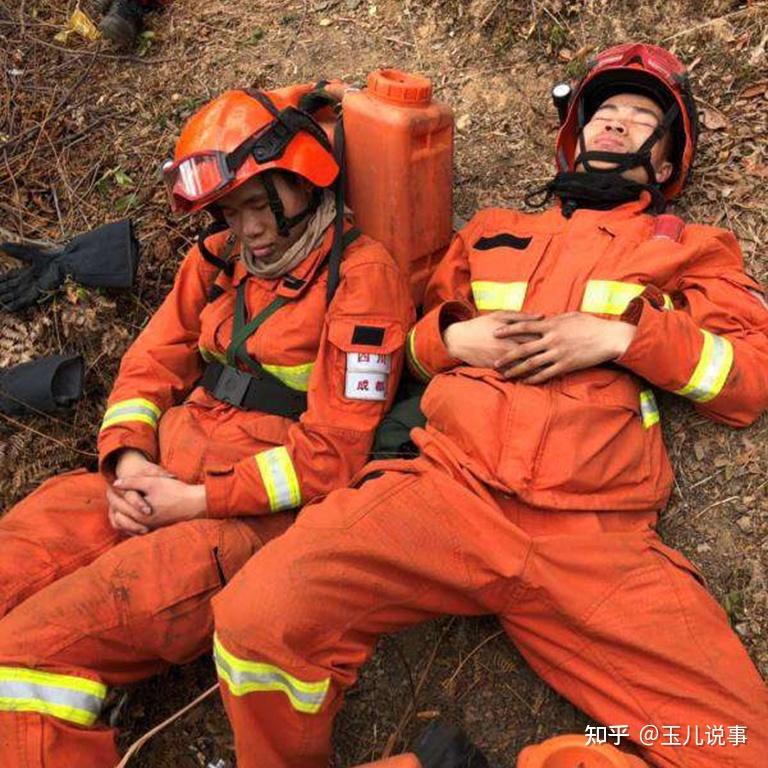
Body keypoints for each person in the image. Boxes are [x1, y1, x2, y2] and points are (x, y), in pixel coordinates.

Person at [209, 44, 768, 767]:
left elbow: (749, 377)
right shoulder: (494, 230)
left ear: (665, 165)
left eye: (640, 117)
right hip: (446, 493)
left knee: (737, 747)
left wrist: (624, 335)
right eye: (605, 111)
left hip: (594, 537)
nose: (617, 123)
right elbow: (404, 348)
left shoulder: (693, 247)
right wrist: (452, 337)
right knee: (257, 620)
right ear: (576, 134)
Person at [0, 86, 413, 766]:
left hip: (236, 524)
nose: (245, 229)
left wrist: (196, 502)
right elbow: (147, 367)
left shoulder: (362, 282)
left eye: (257, 205)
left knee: (31, 654)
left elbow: (331, 457)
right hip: (153, 485)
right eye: (229, 210)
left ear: (301, 181)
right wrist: (127, 462)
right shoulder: (217, 261)